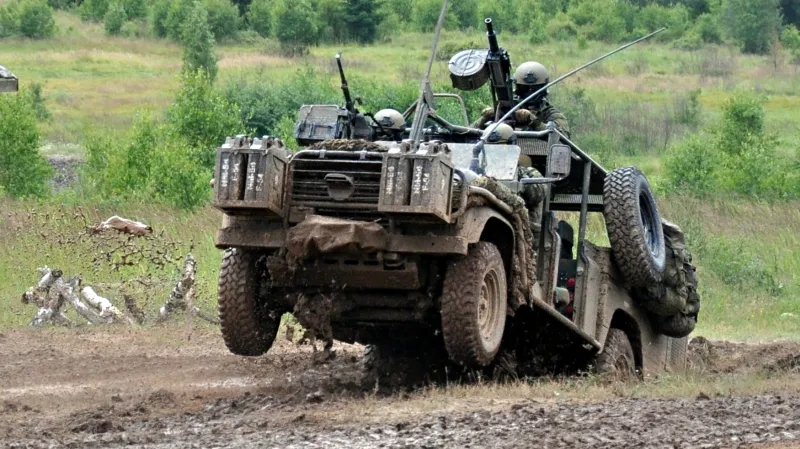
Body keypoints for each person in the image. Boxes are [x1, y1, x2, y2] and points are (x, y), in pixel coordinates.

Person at [473, 61, 570, 138]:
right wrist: (486, 118)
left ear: (543, 88)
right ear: (517, 88)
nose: (529, 92)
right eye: (524, 88)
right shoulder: (507, 109)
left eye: (534, 88)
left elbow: (563, 138)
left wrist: (534, 121)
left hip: (538, 156)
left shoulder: (552, 115)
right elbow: (470, 132)